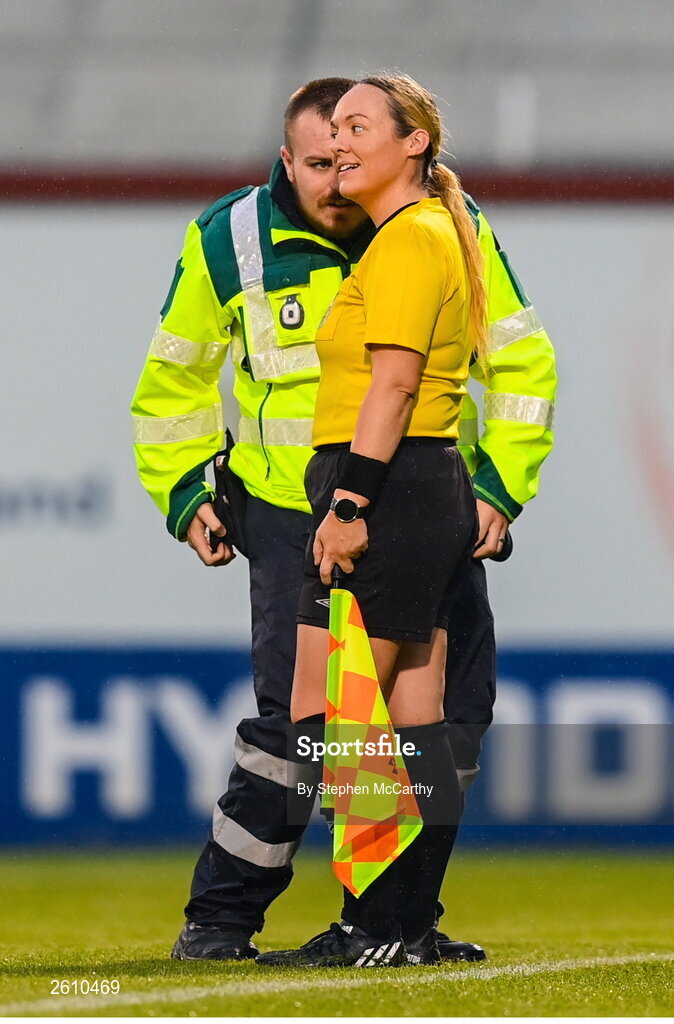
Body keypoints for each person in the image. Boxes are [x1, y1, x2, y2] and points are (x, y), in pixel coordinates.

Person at [131, 77, 556, 962]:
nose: (334, 173)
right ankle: (245, 919)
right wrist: (187, 494)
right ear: (286, 158)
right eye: (319, 157)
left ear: (408, 146)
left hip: (387, 505)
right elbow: (173, 381)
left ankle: (387, 920)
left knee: (419, 723)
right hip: (294, 511)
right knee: (335, 727)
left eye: (352, 145)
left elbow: (507, 364)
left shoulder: (422, 231)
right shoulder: (236, 239)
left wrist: (498, 488)